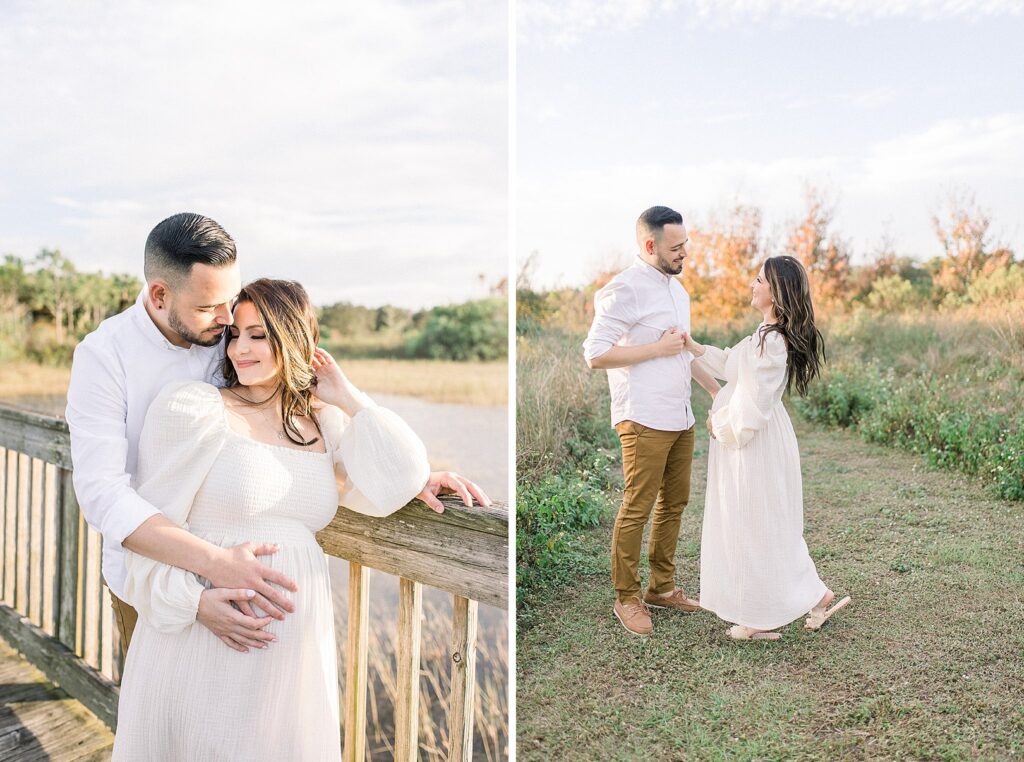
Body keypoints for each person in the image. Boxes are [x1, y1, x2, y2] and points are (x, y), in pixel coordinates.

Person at [66, 212, 489, 657]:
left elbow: (293, 417)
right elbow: (103, 493)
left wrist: (409, 475)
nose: (228, 323)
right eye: (211, 307)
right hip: (153, 584)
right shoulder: (104, 356)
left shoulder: (227, 337)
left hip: (266, 607)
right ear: (159, 294)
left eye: (231, 301)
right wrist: (208, 576)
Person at [110, 278, 435, 759]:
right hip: (203, 643)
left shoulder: (323, 421)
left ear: (294, 337)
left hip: (291, 662)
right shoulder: (194, 408)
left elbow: (401, 476)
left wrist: (346, 395)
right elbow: (142, 532)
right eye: (234, 335)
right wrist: (195, 605)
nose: (240, 349)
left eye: (258, 335)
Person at [680, 255, 851, 640]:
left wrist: (718, 423)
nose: (752, 285)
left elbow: (754, 403)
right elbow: (730, 365)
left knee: (757, 522)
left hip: (754, 441)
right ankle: (815, 594)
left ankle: (762, 617)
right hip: (748, 441)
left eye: (759, 280)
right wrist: (693, 346)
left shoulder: (774, 342)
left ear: (775, 292)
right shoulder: (763, 333)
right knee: (756, 520)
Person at [583, 206, 720, 637]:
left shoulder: (679, 293)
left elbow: (681, 349)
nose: (685, 254)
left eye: (686, 245)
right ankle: (627, 596)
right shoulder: (624, 290)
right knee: (637, 506)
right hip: (642, 417)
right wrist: (655, 350)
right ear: (650, 245)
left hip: (680, 415)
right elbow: (595, 354)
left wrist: (717, 393)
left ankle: (662, 587)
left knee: (674, 503)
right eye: (676, 247)